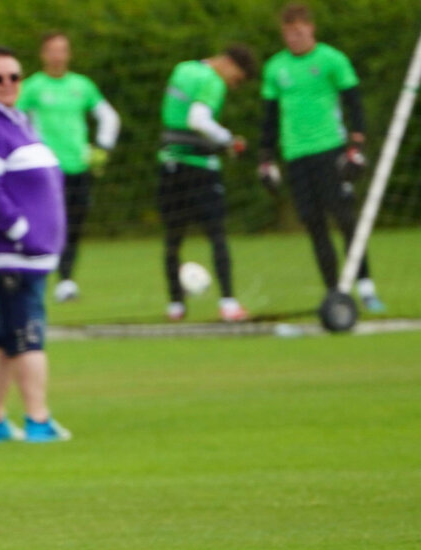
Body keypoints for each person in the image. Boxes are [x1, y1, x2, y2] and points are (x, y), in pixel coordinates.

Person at [0, 45, 71, 444]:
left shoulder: (15, 120)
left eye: (14, 77)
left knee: (6, 336)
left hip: (30, 253)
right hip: (11, 254)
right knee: (29, 333)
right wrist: (21, 231)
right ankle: (39, 420)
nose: (7, 84)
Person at [258, 3, 383, 311]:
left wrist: (357, 142)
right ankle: (334, 294)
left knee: (345, 219)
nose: (294, 38)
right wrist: (266, 156)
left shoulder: (331, 59)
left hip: (330, 149)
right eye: (288, 33)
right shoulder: (275, 68)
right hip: (296, 155)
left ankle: (366, 287)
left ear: (311, 28)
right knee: (313, 224)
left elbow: (353, 102)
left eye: (299, 31)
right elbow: (270, 118)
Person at [156, 45, 258, 322]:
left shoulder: (182, 69)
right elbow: (198, 119)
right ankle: (228, 304)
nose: (231, 85)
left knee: (173, 237)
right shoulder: (212, 81)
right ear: (230, 65)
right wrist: (229, 141)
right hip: (199, 168)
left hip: (169, 163)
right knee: (217, 235)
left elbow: (174, 114)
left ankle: (176, 306)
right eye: (236, 80)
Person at [17, 32, 120, 303]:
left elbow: (109, 116)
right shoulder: (32, 87)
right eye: (52, 50)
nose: (57, 56)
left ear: (69, 54)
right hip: (45, 169)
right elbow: (14, 121)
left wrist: (102, 148)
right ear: (43, 54)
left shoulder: (82, 86)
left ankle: (66, 279)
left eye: (62, 50)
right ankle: (35, 274)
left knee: (74, 225)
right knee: (46, 224)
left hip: (78, 167)